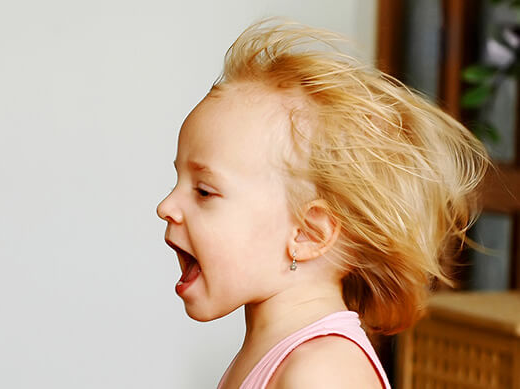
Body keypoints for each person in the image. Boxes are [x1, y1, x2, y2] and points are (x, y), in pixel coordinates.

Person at [156, 19, 489, 389]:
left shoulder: (324, 370)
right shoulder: (269, 355)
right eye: (178, 181)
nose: (166, 205)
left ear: (307, 233)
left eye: (203, 191)